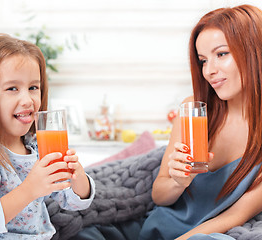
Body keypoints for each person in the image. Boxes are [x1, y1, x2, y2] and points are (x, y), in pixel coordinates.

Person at [73, 4, 262, 240]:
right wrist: (177, 182)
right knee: (84, 233)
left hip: (205, 235)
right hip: (155, 229)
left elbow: (234, 216)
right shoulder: (194, 109)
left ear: (254, 50)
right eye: (203, 60)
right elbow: (160, 196)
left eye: (221, 54)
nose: (209, 70)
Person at [0, 33, 95, 239]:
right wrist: (29, 190)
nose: (28, 100)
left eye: (33, 88)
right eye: (12, 88)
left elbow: (73, 202)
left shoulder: (38, 145)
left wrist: (77, 174)